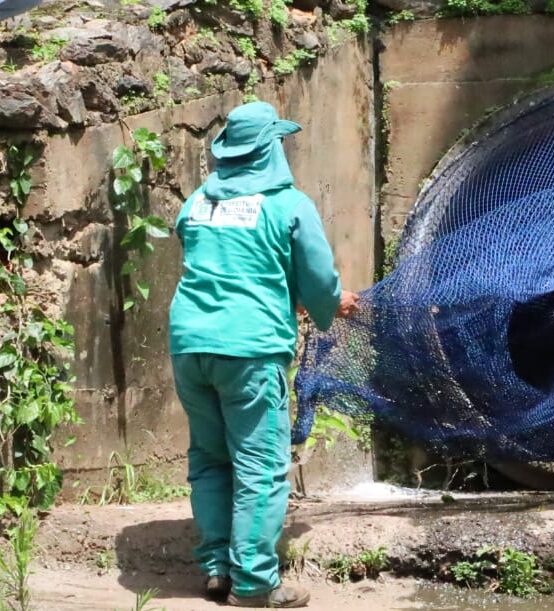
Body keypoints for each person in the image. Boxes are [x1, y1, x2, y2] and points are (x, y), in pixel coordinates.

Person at [168, 101, 359, 607]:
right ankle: (253, 583)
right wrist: (330, 305)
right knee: (259, 462)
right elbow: (317, 281)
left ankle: (216, 568)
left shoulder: (196, 202)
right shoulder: (289, 205)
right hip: (249, 351)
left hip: (190, 345)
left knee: (210, 457)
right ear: (270, 149)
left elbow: (214, 260)